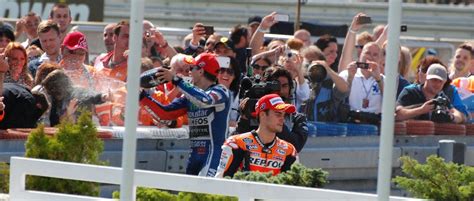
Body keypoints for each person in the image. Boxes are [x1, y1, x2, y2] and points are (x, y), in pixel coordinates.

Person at [140, 53, 231, 177]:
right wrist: (142, 97)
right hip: (194, 155)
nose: (188, 73)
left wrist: (176, 80)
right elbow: (165, 114)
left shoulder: (221, 91)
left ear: (200, 71)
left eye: (191, 69)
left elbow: (205, 100)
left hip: (214, 155)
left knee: (205, 194)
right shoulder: (189, 94)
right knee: (188, 194)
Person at [215, 94, 297, 178]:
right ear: (262, 115)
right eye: (278, 114)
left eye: (284, 115)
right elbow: (220, 181)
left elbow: (293, 186)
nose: (282, 119)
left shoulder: (289, 151)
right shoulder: (236, 144)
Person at [236, 67, 308, 153]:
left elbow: (295, 146)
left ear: (291, 90)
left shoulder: (297, 118)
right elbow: (237, 144)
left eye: (284, 86)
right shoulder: (253, 110)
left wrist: (274, 117)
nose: (280, 91)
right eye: (275, 86)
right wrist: (244, 118)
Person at [396, 64, 466, 124]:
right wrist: (421, 110)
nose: (437, 84)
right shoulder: (410, 92)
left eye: (440, 81)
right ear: (426, 78)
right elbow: (397, 115)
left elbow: (461, 116)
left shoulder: (441, 97)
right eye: (434, 80)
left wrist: (451, 116)